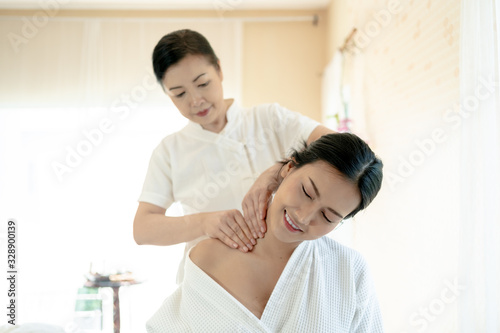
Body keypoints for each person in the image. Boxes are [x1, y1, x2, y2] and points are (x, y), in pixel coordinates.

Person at [133, 29, 333, 280]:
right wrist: (204, 223)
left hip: (284, 274)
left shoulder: (269, 119)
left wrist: (277, 171)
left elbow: (335, 142)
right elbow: (143, 229)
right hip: (210, 280)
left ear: (219, 69)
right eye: (179, 94)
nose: (195, 100)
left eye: (203, 83)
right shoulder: (169, 150)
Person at [146, 132, 384, 332]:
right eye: (307, 192)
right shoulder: (208, 258)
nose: (303, 216)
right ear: (288, 168)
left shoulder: (349, 271)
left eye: (328, 216)